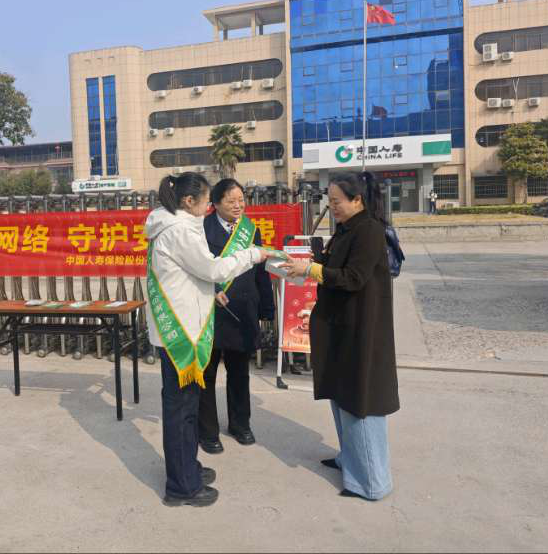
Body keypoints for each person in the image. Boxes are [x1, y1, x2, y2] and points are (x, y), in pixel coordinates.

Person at [145, 172, 269, 507]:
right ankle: (181, 487)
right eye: (206, 200)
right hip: (182, 334)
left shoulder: (172, 223)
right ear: (190, 201)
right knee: (181, 410)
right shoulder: (179, 230)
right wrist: (252, 255)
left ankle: (188, 468)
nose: (209, 207)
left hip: (183, 328)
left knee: (186, 407)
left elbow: (193, 273)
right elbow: (213, 270)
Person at [280, 171, 399, 501]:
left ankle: (371, 483)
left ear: (357, 200)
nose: (331, 207)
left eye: (337, 201)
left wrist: (310, 269)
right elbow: (333, 268)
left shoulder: (369, 230)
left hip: (361, 328)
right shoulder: (347, 228)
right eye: (329, 201)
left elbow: (353, 277)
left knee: (360, 402)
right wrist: (307, 262)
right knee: (342, 396)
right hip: (340, 325)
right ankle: (350, 458)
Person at [198, 178, 275, 454]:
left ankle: (240, 424)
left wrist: (267, 307)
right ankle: (207, 431)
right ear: (215, 203)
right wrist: (214, 289)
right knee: (206, 374)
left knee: (240, 373)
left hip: (243, 310)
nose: (238, 205)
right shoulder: (201, 229)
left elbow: (260, 271)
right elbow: (196, 268)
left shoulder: (250, 230)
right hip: (212, 311)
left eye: (241, 200)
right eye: (231, 201)